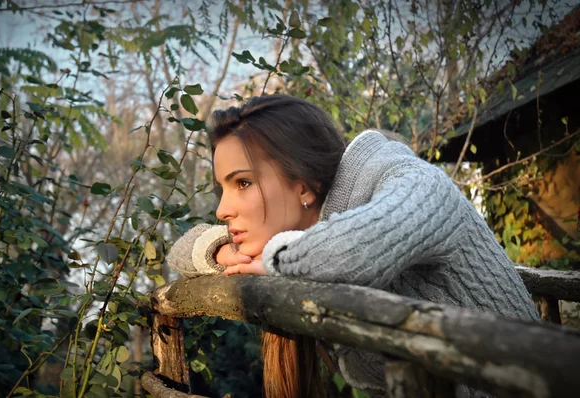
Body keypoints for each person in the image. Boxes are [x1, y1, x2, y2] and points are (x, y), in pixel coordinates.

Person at [168, 94, 539, 398]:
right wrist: (223, 250)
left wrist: (279, 256)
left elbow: (357, 249)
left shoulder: (403, 177)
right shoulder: (296, 239)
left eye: (243, 183)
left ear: (304, 185)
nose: (221, 209)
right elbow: (180, 251)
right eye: (223, 188)